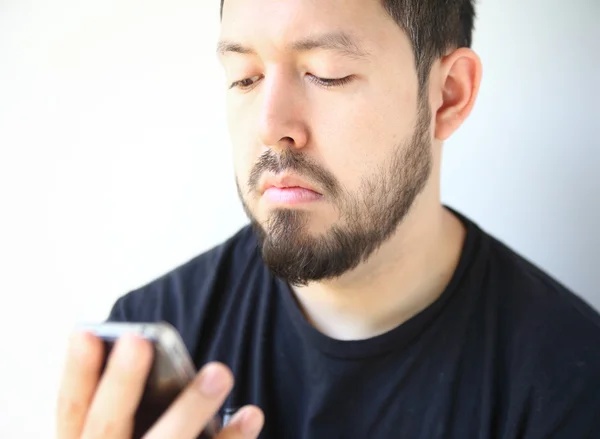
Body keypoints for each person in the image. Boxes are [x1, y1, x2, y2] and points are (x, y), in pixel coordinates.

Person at [57, 0, 600, 437]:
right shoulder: (154, 343)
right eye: (245, 78)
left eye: (326, 73)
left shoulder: (569, 383)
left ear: (448, 96)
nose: (272, 126)